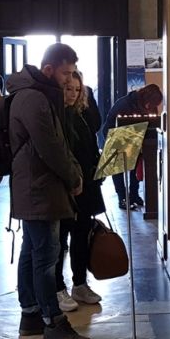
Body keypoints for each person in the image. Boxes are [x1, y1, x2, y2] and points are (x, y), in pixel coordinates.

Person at [6, 43, 92, 339]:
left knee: (33, 252)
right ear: (48, 70)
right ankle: (52, 322)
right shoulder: (35, 98)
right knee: (45, 257)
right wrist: (73, 177)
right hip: (40, 188)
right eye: (66, 73)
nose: (70, 80)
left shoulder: (36, 94)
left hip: (37, 186)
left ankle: (30, 317)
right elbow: (51, 146)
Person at [55, 70, 106, 311]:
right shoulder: (56, 116)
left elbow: (92, 139)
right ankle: (58, 288)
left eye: (77, 90)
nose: (73, 94)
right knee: (60, 238)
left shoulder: (81, 114)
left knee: (82, 234)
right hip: (66, 187)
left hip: (87, 184)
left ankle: (80, 283)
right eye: (68, 89)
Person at [99, 84, 163, 210]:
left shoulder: (147, 105)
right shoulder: (124, 104)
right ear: (146, 98)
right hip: (116, 136)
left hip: (137, 138)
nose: (150, 107)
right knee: (118, 169)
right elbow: (110, 126)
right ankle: (122, 198)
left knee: (135, 167)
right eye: (150, 104)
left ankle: (134, 195)